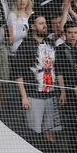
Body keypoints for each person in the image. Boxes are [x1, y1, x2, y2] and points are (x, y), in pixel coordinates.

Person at [13, 14, 66, 143]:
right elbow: (18, 74)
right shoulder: (24, 46)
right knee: (35, 134)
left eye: (45, 23)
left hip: (52, 95)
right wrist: (24, 96)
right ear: (33, 26)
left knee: (51, 133)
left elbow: (58, 69)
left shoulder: (51, 43)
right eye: (41, 23)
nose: (45, 26)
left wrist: (63, 91)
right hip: (33, 96)